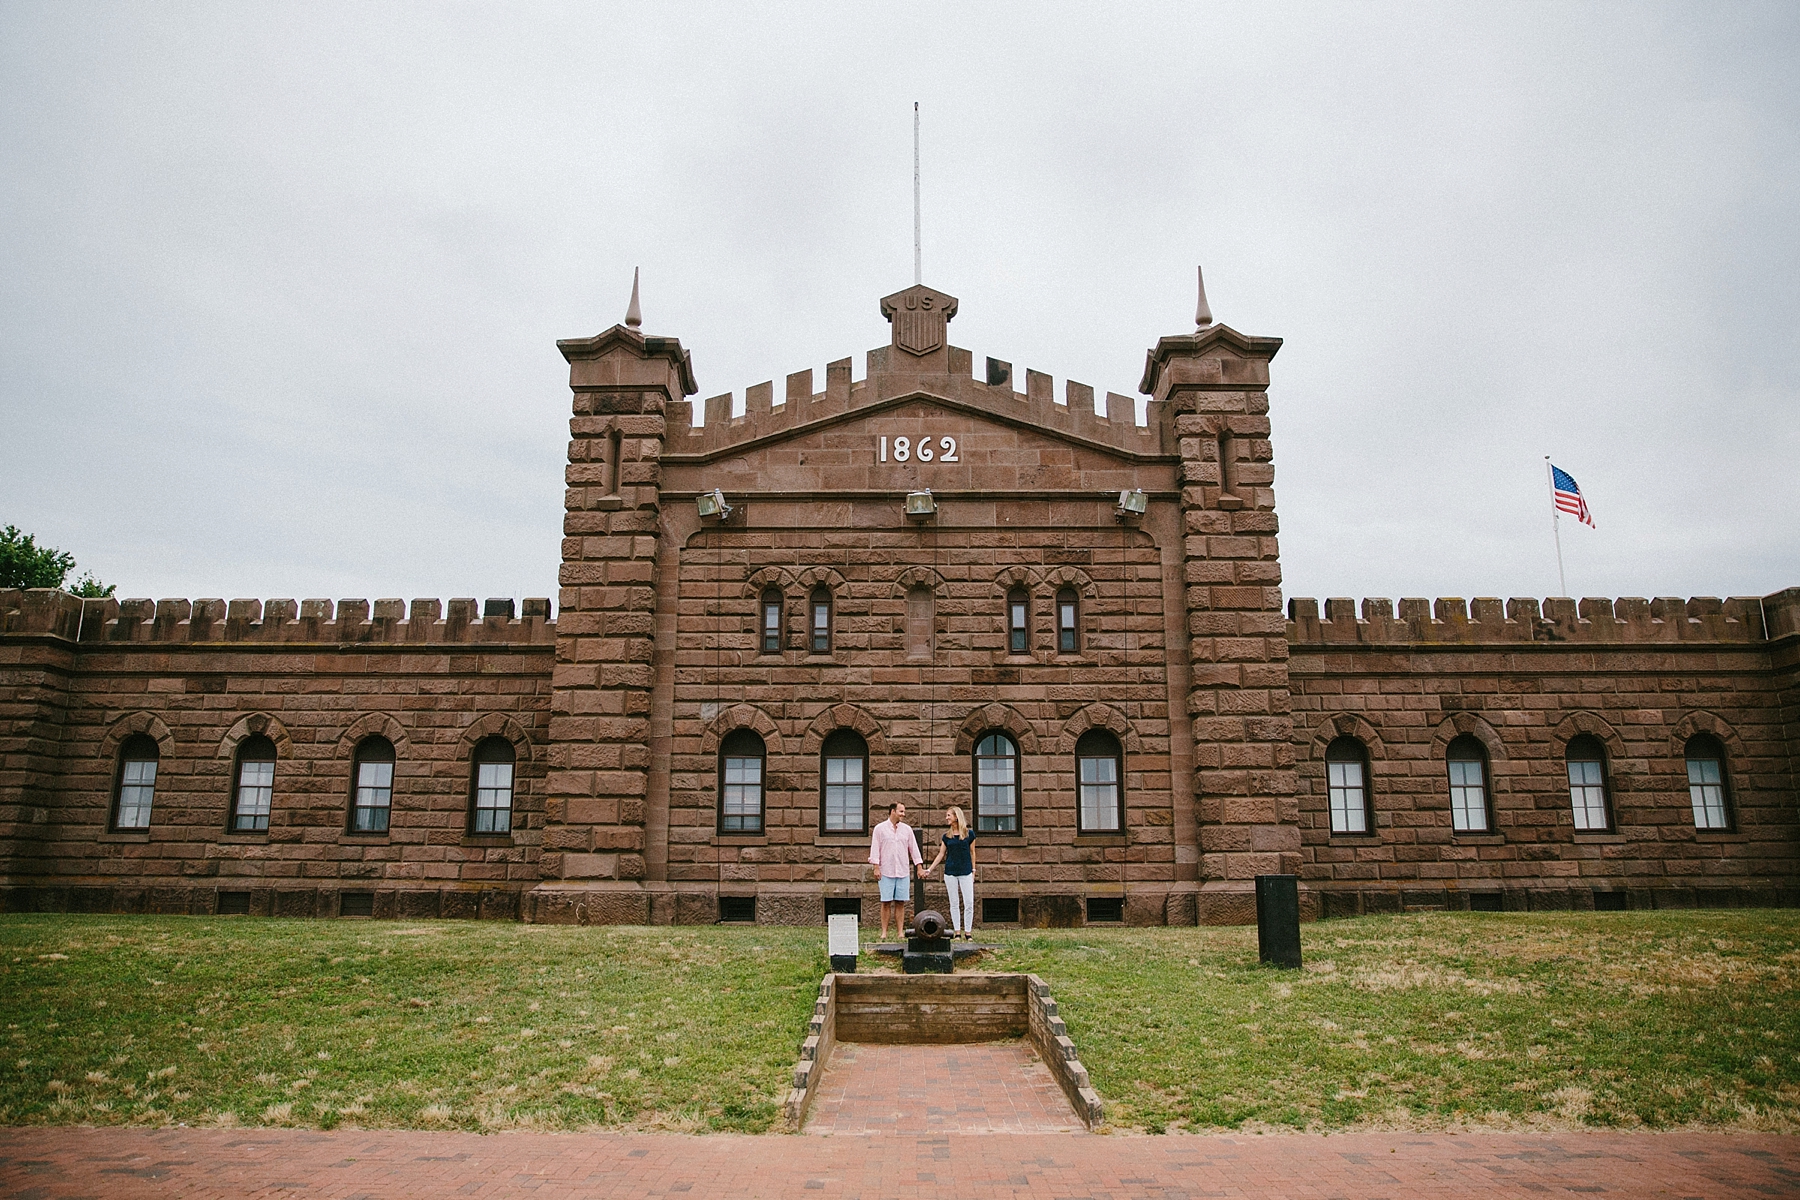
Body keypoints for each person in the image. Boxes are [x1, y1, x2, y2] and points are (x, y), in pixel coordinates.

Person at [868, 801, 925, 941]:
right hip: (885, 871)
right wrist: (876, 866)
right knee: (885, 902)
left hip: (902, 871)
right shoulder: (880, 829)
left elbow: (914, 849)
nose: (903, 814)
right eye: (901, 811)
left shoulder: (907, 830)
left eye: (904, 812)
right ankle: (884, 932)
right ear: (893, 811)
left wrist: (919, 866)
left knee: (900, 902)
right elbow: (875, 848)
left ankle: (900, 932)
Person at [924, 805, 977, 940]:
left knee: (969, 902)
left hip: (965, 872)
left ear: (956, 817)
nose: (946, 818)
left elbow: (973, 853)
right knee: (954, 902)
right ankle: (957, 931)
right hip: (950, 872)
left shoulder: (969, 834)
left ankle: (968, 932)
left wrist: (973, 870)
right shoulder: (946, 836)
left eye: (949, 815)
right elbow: (941, 854)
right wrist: (930, 869)